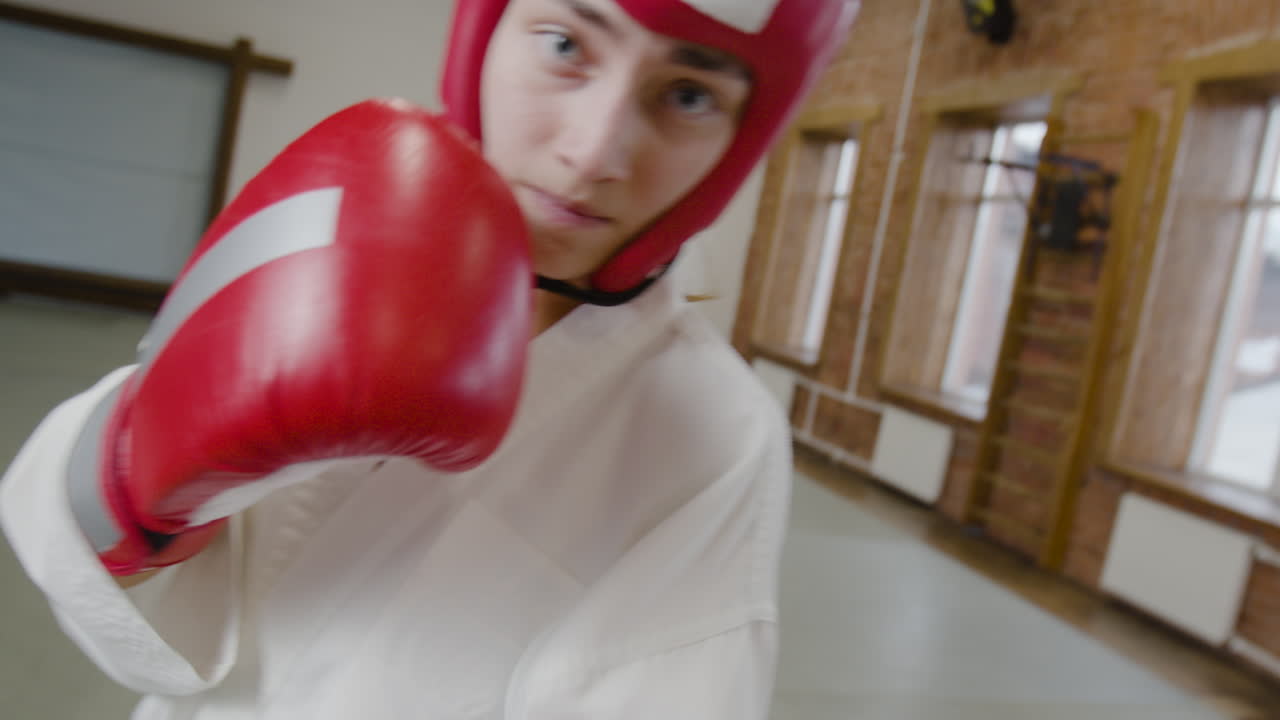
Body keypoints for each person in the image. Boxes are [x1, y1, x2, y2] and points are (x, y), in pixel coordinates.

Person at [1, 0, 858, 717]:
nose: (593, 152)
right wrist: (134, 471)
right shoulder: (328, 221)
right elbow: (86, 574)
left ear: (742, 140)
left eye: (689, 95)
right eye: (565, 46)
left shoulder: (719, 436)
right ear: (483, 33)